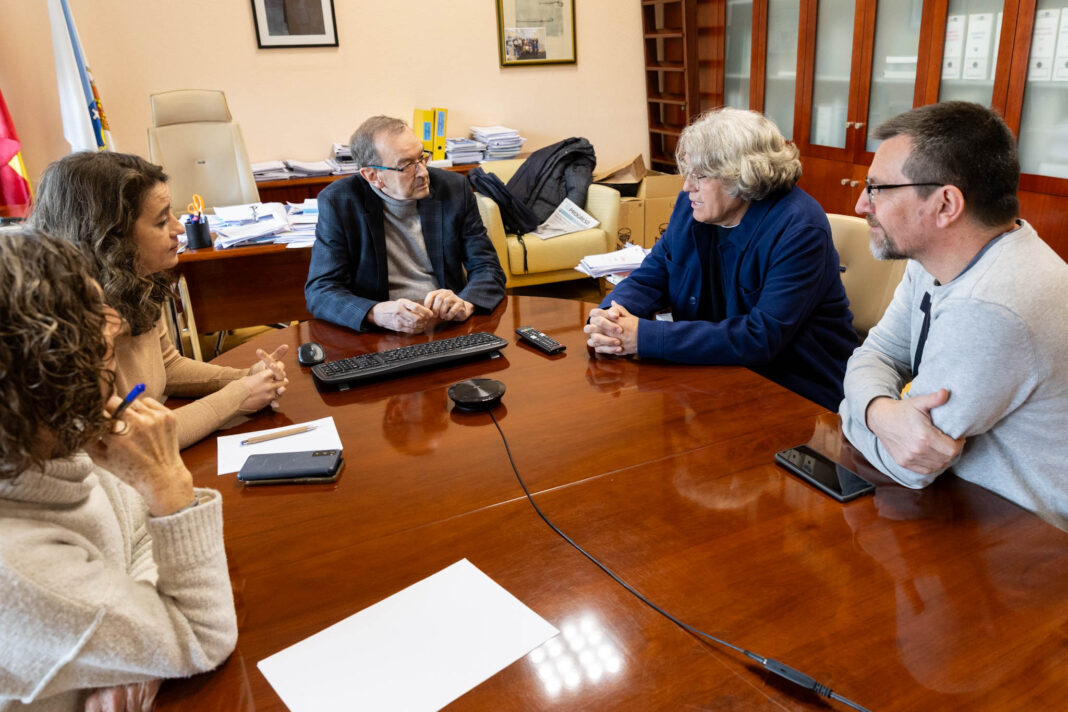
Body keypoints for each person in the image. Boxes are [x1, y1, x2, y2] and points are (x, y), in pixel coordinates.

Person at [0, 229, 237, 711]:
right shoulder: (18, 568)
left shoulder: (53, 440)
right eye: (94, 315)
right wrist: (170, 486)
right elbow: (203, 634)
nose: (114, 325)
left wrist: (134, 645)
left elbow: (139, 533)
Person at [838, 101, 1068, 528]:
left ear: (946, 205)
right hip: (963, 507)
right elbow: (878, 352)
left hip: (1022, 539)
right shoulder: (935, 259)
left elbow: (909, 463)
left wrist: (854, 406)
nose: (861, 205)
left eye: (877, 188)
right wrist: (877, 410)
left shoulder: (990, 308)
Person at [584, 108, 857, 411]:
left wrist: (645, 337)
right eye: (687, 173)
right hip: (714, 371)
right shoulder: (692, 206)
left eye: (699, 175)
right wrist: (610, 318)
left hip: (792, 388)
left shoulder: (799, 228)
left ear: (742, 174)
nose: (687, 186)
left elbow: (761, 336)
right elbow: (655, 272)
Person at [28, 151, 289, 450]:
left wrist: (245, 378)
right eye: (163, 220)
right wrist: (238, 395)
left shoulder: (137, 280)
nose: (179, 228)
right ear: (111, 236)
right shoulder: (61, 325)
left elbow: (167, 366)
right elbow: (123, 441)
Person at [305, 115, 506, 334]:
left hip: (446, 323)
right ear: (372, 175)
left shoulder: (453, 188)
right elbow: (320, 291)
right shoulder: (340, 202)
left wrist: (465, 303)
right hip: (383, 330)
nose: (423, 172)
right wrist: (375, 313)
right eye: (407, 165)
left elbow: (488, 267)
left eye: (422, 158)